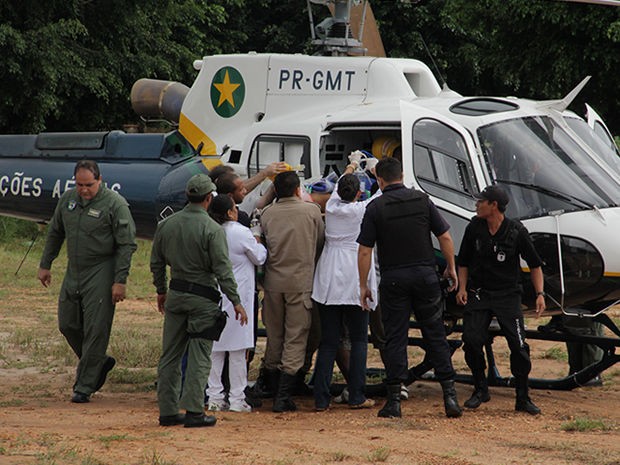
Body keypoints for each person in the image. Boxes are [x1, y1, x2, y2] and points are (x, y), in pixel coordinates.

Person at [357, 157, 462, 419]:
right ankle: (450, 396)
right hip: (426, 275)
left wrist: (363, 285)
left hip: (394, 279)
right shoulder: (422, 200)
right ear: (402, 175)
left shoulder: (376, 206)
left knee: (395, 338)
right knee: (435, 334)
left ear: (379, 181)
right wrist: (450, 267)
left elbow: (364, 251)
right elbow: (445, 236)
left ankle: (394, 401)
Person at [150, 174, 247, 428]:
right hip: (203, 298)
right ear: (208, 198)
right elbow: (222, 269)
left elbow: (156, 262)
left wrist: (161, 290)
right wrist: (235, 300)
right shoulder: (212, 229)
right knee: (200, 354)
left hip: (176, 294)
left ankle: (168, 411)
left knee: (170, 355)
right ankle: (194, 410)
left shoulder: (167, 225)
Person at [38, 160, 137, 403]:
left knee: (96, 328)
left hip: (102, 268)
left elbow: (126, 244)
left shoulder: (115, 204)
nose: (84, 190)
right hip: (75, 268)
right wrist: (45, 264)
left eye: (89, 185)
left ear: (100, 180)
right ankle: (98, 362)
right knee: (67, 323)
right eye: (79, 184)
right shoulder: (69, 200)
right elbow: (55, 232)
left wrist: (119, 280)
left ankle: (84, 385)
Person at [456, 185, 546, 415]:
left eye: (481, 201)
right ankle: (480, 388)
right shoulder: (474, 228)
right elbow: (463, 261)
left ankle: (522, 397)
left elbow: (535, 265)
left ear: (493, 205)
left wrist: (539, 295)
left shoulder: (516, 231)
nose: (476, 205)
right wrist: (462, 288)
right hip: (480, 293)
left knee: (518, 346)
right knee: (472, 340)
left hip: (507, 294)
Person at [312, 157, 380, 412]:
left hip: (329, 274)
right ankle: (356, 395)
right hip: (354, 272)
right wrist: (373, 167)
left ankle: (320, 398)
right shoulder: (362, 209)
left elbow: (342, 184)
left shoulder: (330, 207)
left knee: (328, 341)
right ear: (359, 193)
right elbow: (386, 189)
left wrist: (350, 165)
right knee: (360, 338)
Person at [259, 171, 325, 412]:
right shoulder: (312, 212)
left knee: (275, 335)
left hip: (274, 283)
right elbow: (319, 243)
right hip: (301, 282)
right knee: (297, 336)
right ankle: (285, 393)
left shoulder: (268, 214)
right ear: (298, 189)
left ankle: (272, 385)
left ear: (276, 191)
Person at [206, 195, 267, 412]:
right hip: (239, 296)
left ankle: (214, 397)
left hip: (215, 294)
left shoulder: (210, 230)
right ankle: (237, 399)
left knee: (215, 349)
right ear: (231, 212)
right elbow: (259, 257)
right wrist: (257, 236)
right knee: (238, 352)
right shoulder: (240, 232)